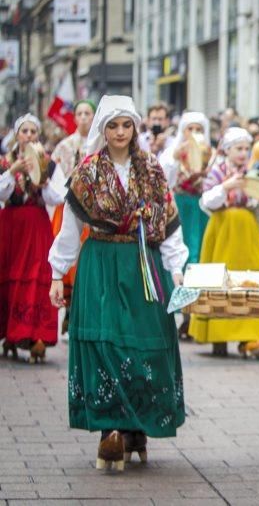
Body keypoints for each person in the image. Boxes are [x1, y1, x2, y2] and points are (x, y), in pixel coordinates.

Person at [48, 95, 188, 471]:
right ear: (102, 129)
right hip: (102, 263)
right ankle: (109, 429)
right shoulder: (88, 172)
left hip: (144, 265)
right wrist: (57, 275)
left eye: (127, 125)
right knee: (104, 342)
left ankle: (135, 425)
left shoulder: (153, 171)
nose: (121, 132)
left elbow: (170, 226)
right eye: (113, 126)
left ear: (135, 128)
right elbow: (69, 229)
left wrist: (177, 269)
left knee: (145, 346)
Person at [188, 127, 259, 358]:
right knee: (220, 281)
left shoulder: (253, 174)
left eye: (246, 149)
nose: (243, 153)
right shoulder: (217, 172)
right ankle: (218, 336)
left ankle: (251, 336)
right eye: (238, 148)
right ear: (227, 150)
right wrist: (226, 187)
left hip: (249, 232)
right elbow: (206, 202)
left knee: (251, 280)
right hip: (222, 230)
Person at [0, 114, 62, 362]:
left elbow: (57, 197)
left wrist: (44, 181)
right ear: (17, 135)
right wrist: (11, 171)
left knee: (37, 276)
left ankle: (36, 335)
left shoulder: (48, 162)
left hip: (36, 226)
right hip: (11, 226)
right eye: (24, 131)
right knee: (10, 275)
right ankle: (10, 334)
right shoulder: (6, 162)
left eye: (33, 131)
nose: (28, 135)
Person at [50, 100, 96, 333]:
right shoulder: (64, 146)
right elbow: (53, 177)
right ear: (75, 117)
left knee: (85, 260)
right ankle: (68, 311)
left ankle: (82, 307)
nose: (84, 117)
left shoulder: (99, 144)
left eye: (88, 113)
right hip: (68, 205)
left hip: (92, 211)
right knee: (69, 254)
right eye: (80, 113)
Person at [161, 111, 213, 264]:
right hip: (179, 203)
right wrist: (175, 158)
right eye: (190, 129)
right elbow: (163, 179)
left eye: (199, 130)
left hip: (201, 206)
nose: (194, 133)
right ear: (183, 131)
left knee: (199, 241)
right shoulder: (172, 152)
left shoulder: (210, 154)